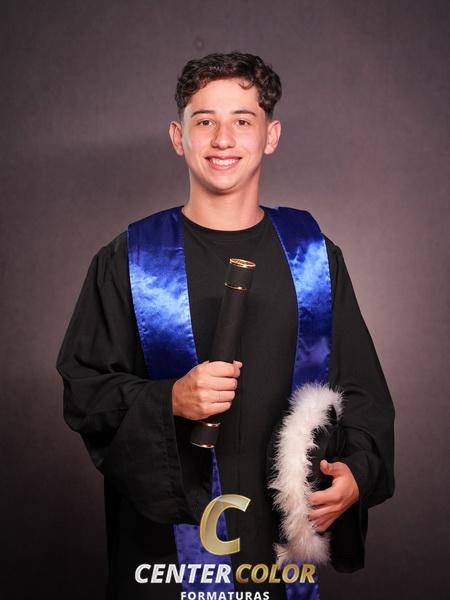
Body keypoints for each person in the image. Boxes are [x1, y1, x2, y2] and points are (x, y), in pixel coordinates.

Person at [56, 52, 395, 600]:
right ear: (178, 136)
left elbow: (361, 390)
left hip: (278, 540)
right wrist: (169, 399)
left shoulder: (313, 258)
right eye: (204, 121)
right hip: (168, 549)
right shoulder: (130, 260)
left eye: (242, 120)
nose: (222, 139)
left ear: (271, 136)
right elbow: (84, 389)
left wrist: (358, 470)